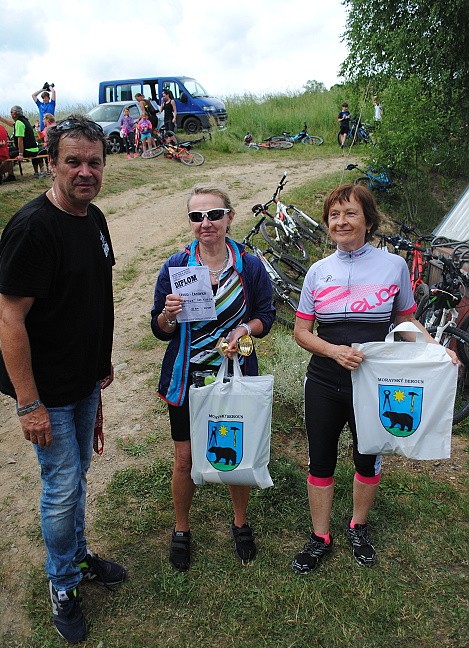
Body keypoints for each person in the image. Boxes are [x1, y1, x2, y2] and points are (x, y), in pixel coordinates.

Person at [0, 114, 126, 644]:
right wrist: (29, 403)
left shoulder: (94, 218)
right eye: (72, 162)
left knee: (77, 479)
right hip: (47, 391)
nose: (84, 172)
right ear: (51, 164)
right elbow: (9, 318)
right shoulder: (33, 229)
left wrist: (100, 364)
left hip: (82, 380)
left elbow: (92, 297)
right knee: (60, 485)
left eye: (94, 162)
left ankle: (77, 556)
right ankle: (63, 585)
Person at [291, 183, 458, 575]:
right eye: (334, 215)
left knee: (368, 457)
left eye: (350, 213)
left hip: (373, 384)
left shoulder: (392, 266)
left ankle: (358, 527)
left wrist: (437, 351)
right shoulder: (318, 272)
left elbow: (405, 320)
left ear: (368, 220)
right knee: (320, 459)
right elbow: (301, 332)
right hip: (324, 381)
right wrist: (334, 351)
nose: (341, 221)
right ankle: (320, 537)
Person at [150, 185, 275, 572]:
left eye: (214, 214)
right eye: (197, 216)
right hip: (188, 378)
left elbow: (266, 316)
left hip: (235, 374)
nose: (206, 223)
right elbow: (159, 329)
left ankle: (240, 523)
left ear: (229, 217)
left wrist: (244, 330)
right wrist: (168, 315)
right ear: (191, 222)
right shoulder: (177, 266)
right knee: (185, 458)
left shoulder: (248, 266)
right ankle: (181, 528)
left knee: (234, 450)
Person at [0, 106, 46, 177]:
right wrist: (1, 119)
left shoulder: (19, 123)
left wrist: (20, 154)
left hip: (29, 150)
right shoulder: (23, 120)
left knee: (6, 155)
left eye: (11, 112)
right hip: (31, 148)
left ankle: (4, 173)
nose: (10, 114)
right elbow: (12, 124)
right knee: (7, 150)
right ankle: (11, 175)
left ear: (14, 114)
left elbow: (20, 140)